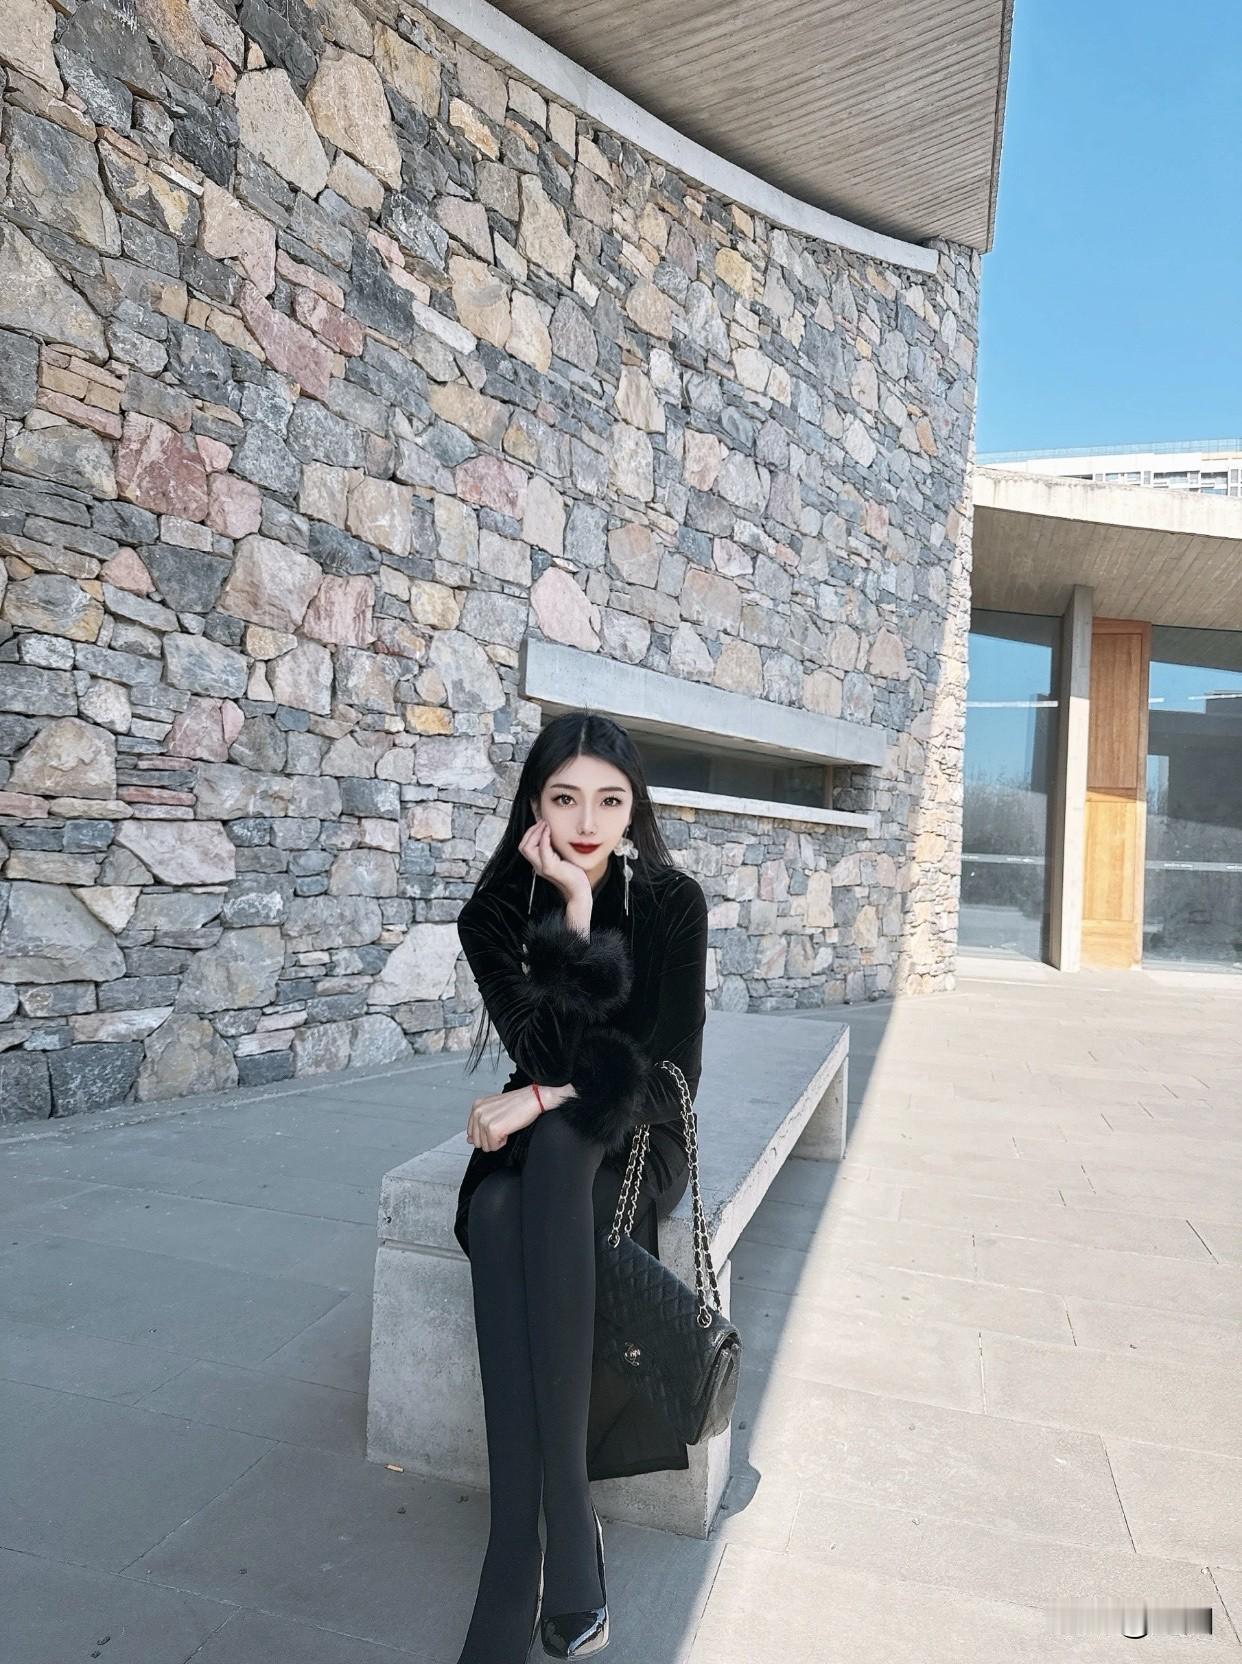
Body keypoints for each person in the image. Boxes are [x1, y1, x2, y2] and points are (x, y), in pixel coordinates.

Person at [450, 710, 710, 1662]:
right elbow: (547, 1051)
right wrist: (573, 916)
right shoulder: (494, 914)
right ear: (535, 805)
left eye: (610, 800)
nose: (588, 823)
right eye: (566, 799)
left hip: (639, 1143)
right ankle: (543, 1537)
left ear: (635, 808)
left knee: (548, 1155)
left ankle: (538, 1535)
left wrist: (543, 1097)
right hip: (546, 1148)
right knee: (496, 1204)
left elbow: (673, 1078)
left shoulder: (674, 903)